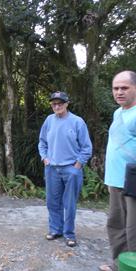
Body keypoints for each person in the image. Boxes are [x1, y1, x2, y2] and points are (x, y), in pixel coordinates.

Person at [99, 70, 136, 271]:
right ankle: (120, 266)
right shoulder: (118, 112)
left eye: (124, 88)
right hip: (116, 180)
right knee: (116, 225)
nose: (119, 92)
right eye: (115, 88)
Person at [38, 91, 92, 247]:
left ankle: (69, 234)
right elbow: (42, 142)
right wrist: (44, 158)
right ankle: (55, 230)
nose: (57, 106)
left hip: (71, 169)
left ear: (67, 104)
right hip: (52, 168)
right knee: (52, 202)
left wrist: (78, 165)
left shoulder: (77, 122)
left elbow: (86, 147)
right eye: (54, 104)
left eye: (60, 103)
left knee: (69, 203)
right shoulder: (49, 120)